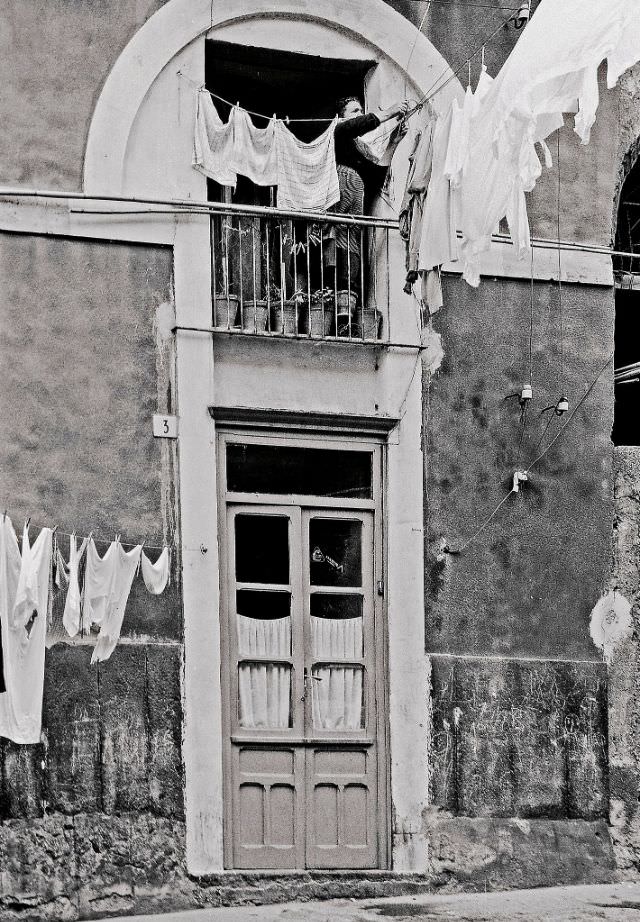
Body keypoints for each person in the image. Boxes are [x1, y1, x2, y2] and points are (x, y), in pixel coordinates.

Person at [328, 96, 410, 302]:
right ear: (341, 117)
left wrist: (393, 143)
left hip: (352, 228)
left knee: (350, 273)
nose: (360, 114)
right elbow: (354, 126)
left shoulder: (359, 149)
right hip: (335, 224)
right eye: (354, 111)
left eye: (361, 110)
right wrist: (390, 111)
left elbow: (375, 178)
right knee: (335, 268)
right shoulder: (337, 133)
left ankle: (346, 310)